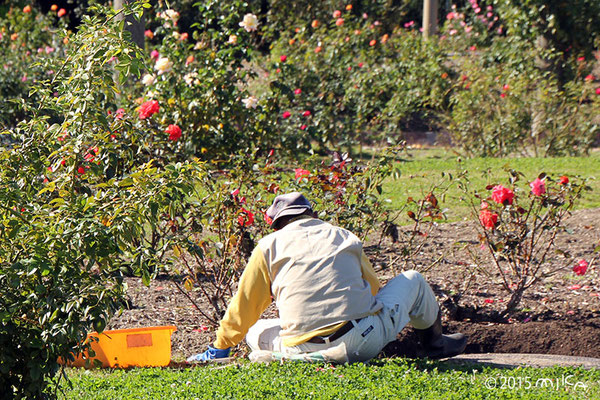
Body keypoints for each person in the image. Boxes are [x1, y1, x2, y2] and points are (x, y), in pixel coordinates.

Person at [187, 192, 467, 363]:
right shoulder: (343, 235)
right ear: (311, 214)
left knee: (254, 329)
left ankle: (298, 357)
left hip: (297, 347)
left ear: (276, 223)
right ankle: (434, 345)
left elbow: (245, 305)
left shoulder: (268, 245)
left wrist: (219, 347)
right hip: (362, 340)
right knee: (413, 278)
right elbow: (373, 288)